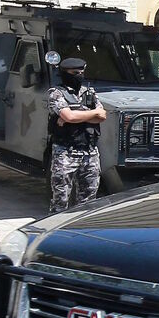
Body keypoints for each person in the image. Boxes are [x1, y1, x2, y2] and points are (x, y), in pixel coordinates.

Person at [46, 57, 106, 212]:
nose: (79, 75)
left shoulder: (89, 93)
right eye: (75, 73)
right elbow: (69, 117)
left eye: (81, 72)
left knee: (88, 202)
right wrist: (89, 115)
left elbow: (102, 116)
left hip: (90, 152)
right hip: (66, 152)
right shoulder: (56, 93)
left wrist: (75, 115)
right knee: (61, 200)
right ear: (65, 73)